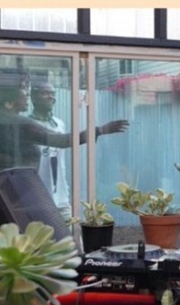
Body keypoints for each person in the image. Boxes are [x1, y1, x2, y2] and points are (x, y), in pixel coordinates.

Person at [0, 68, 129, 182]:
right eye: (22, 88)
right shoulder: (19, 123)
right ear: (8, 99)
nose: (27, 92)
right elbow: (63, 141)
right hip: (17, 195)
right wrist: (100, 130)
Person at [27, 79, 130, 220]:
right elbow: (64, 141)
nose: (51, 97)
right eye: (45, 93)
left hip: (61, 197)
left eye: (53, 93)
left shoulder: (59, 124)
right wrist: (99, 130)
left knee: (70, 231)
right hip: (37, 197)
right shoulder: (27, 124)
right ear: (33, 97)